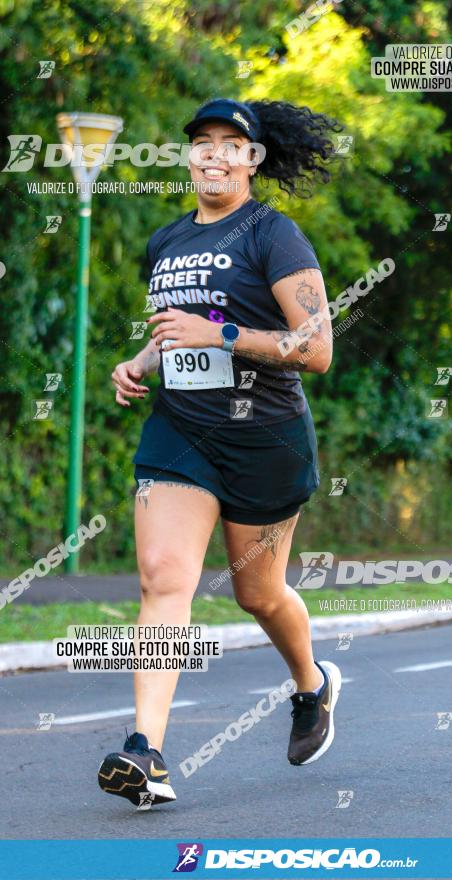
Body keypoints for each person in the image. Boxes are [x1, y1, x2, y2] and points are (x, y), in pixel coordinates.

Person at [98, 98, 343, 808]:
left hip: (264, 438)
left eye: (230, 144)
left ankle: (311, 684)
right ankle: (147, 754)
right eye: (201, 142)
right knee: (162, 578)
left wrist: (223, 335)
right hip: (182, 433)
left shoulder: (275, 235)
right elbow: (177, 327)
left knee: (256, 593)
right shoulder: (165, 241)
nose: (212, 153)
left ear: (253, 160)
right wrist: (141, 360)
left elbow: (317, 348)